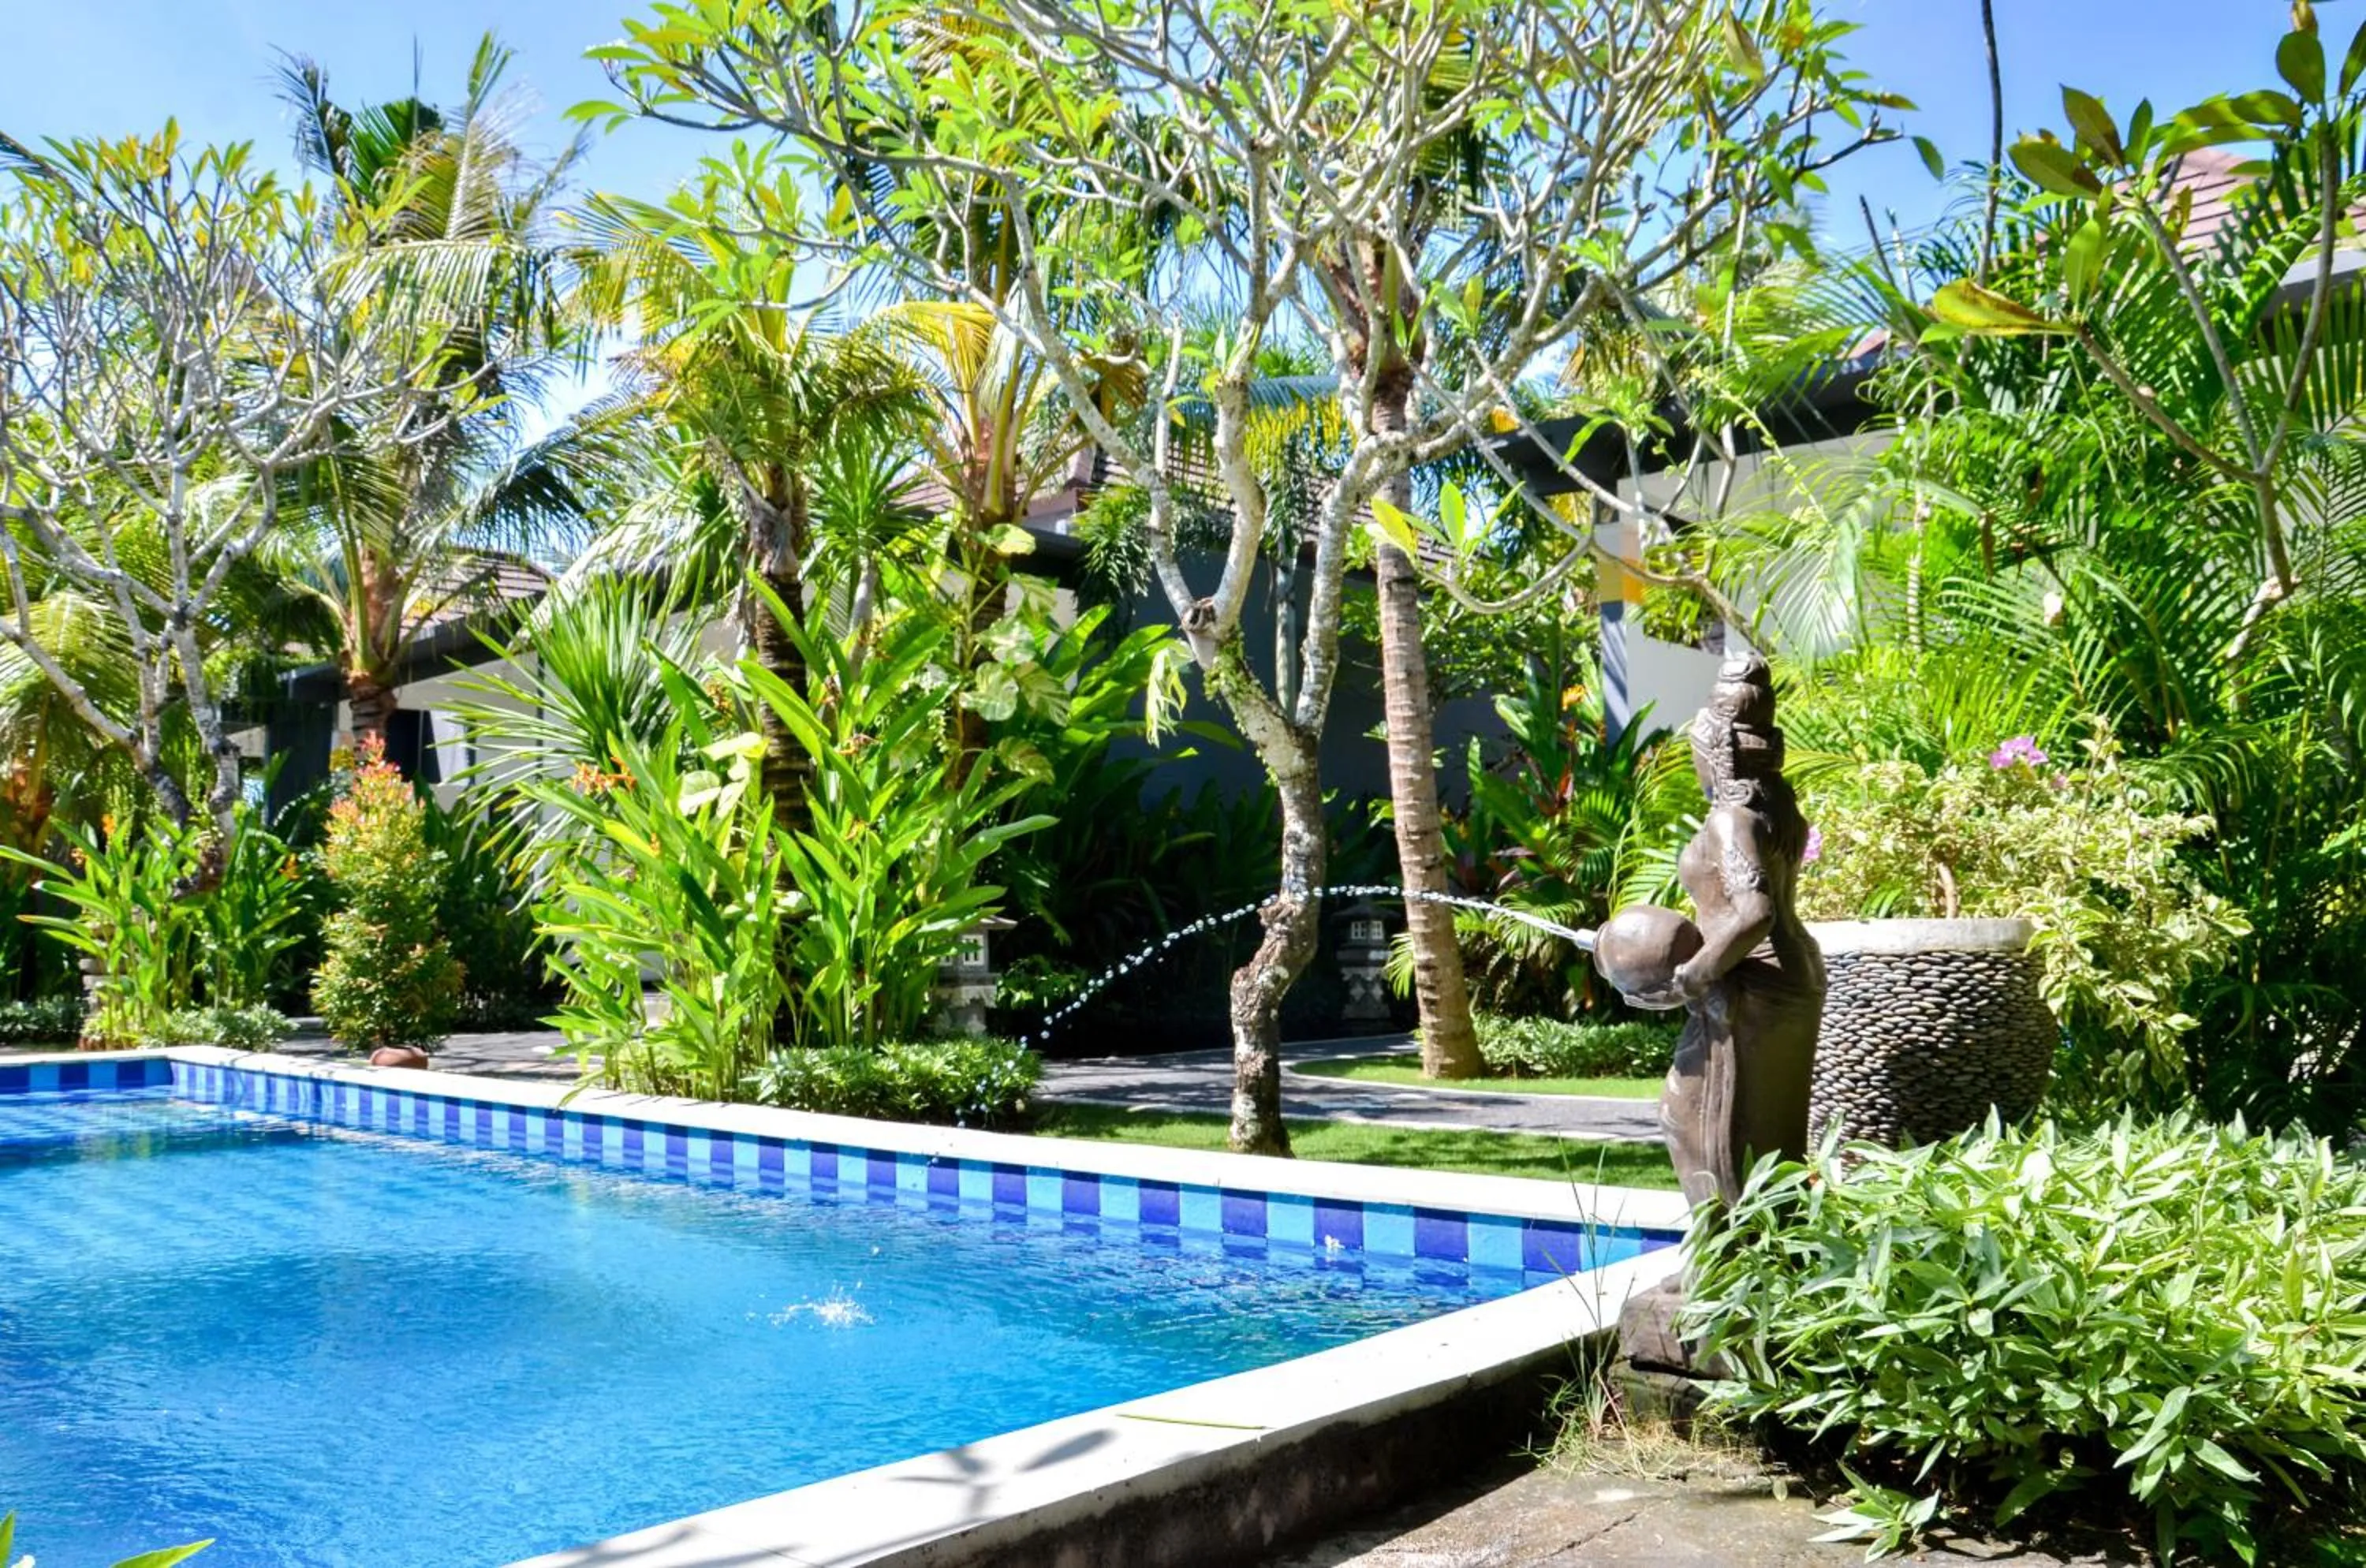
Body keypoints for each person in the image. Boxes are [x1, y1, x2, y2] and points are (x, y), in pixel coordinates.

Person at [1595, 655, 1824, 1207]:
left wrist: (1694, 975)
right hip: (1794, 974)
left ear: (1716, 756)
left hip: (1753, 986)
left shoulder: (1730, 821)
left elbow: (1754, 913)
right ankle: (1765, 1254)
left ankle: (1722, 1261)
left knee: (1697, 1119)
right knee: (1770, 1129)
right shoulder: (1777, 809)